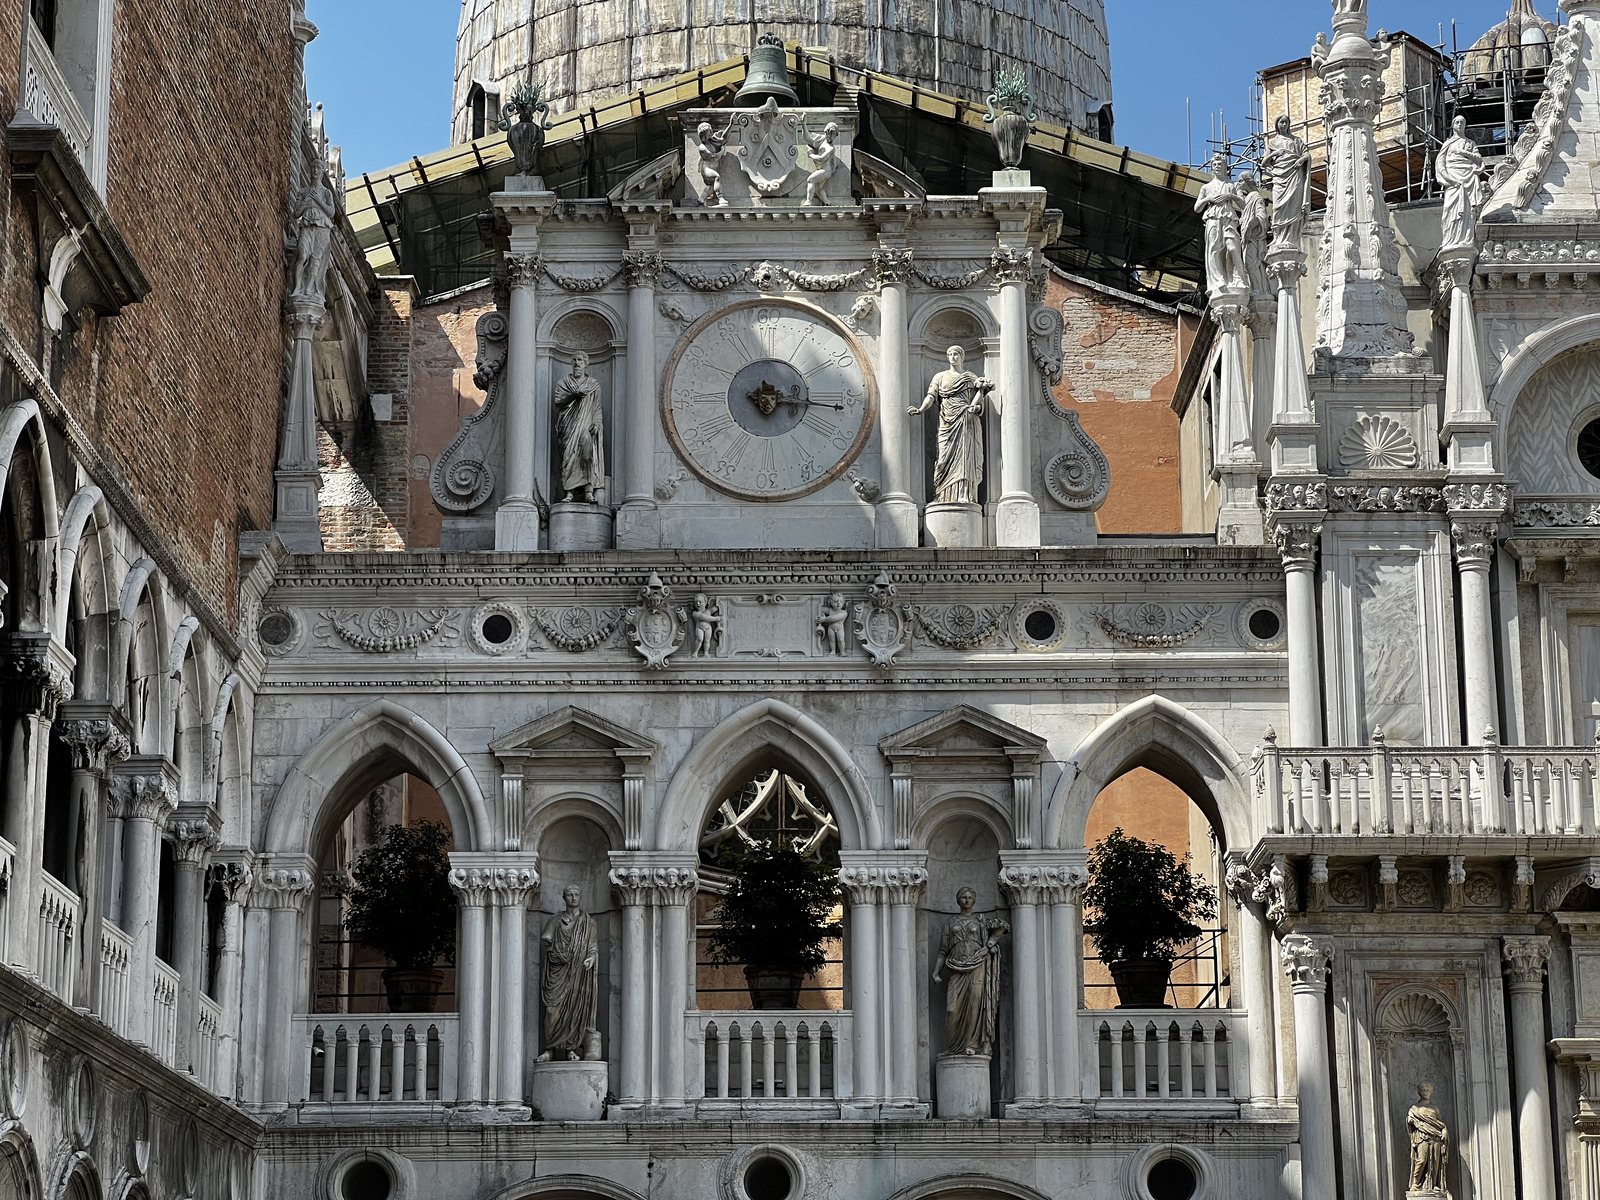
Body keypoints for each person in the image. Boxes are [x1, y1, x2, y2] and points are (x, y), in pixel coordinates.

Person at [910, 346, 993, 505]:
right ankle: (942, 495)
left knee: (964, 458)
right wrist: (920, 409)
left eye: (955, 354)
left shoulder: (970, 377)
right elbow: (931, 396)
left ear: (962, 356)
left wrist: (977, 406)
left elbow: (977, 400)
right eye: (949, 354)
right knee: (943, 459)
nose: (952, 357)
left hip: (966, 421)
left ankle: (965, 494)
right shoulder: (940, 377)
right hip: (947, 421)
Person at [932, 888, 1008, 1056]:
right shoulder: (950, 922)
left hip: (977, 967)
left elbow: (987, 945)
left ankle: (972, 1045)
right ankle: (953, 1048)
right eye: (963, 897)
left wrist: (993, 945)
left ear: (974, 900)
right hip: (956, 968)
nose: (966, 900)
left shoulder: (980, 920)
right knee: (952, 1009)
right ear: (958, 901)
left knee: (975, 1006)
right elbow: (943, 950)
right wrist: (936, 972)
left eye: (969, 897)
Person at [537, 886, 600, 1062]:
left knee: (575, 1011)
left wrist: (591, 959)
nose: (573, 898)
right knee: (551, 1011)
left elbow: (593, 947)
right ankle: (549, 1049)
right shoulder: (555, 920)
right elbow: (546, 939)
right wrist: (557, 952)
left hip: (578, 973)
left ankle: (571, 1049)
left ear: (580, 897)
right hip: (557, 972)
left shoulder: (589, 923)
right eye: (570, 895)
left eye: (576, 895)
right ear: (564, 898)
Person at [552, 351, 605, 504]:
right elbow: (558, 401)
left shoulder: (593, 385)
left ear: (586, 363)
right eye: (574, 360)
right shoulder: (563, 383)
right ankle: (569, 493)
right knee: (568, 457)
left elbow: (597, 407)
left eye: (580, 360)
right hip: (567, 427)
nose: (577, 362)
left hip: (586, 426)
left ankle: (589, 492)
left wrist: (597, 422)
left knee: (587, 456)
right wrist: (574, 395)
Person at [1195, 154, 1248, 294]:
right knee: (1214, 249)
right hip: (1213, 218)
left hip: (1229, 218)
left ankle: (1238, 279)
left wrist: (1231, 196)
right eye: (1215, 165)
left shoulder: (1233, 185)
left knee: (1233, 247)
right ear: (1212, 168)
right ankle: (1218, 281)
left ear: (1225, 167)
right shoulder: (1206, 187)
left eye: (1220, 164)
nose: (1217, 167)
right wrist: (1208, 198)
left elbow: (1243, 204)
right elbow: (1197, 208)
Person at [1262, 115, 1311, 254]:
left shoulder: (1296, 140)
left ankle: (1292, 239)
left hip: (1295, 175)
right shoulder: (1272, 142)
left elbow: (1307, 155)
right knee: (1278, 207)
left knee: (1294, 208)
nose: (1283, 125)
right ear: (1277, 124)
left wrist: (1301, 160)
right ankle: (1279, 238)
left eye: (1286, 122)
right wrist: (1275, 153)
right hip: (1279, 177)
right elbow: (1264, 162)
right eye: (1281, 122)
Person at [1437, 115, 1485, 249]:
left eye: (1462, 122)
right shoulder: (1448, 143)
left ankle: (1466, 238)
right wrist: (1449, 179)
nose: (1459, 124)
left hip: (1468, 177)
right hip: (1453, 180)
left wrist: (1463, 152)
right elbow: (1440, 164)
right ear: (1453, 125)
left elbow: (1479, 160)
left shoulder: (1470, 143)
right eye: (1457, 122)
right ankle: (1451, 240)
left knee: (1468, 209)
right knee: (1449, 209)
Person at [1407, 1082, 1449, 1193]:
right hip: (1422, 1137)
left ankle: (1433, 1184)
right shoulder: (1414, 1108)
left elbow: (1440, 1123)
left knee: (1435, 1162)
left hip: (1435, 1137)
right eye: (1424, 1090)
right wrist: (1411, 1121)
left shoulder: (1435, 1107)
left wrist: (1444, 1131)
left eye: (1428, 1090)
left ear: (1431, 1092)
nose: (1426, 1092)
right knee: (1421, 1160)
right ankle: (1415, 1184)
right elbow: (1410, 1120)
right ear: (1419, 1092)